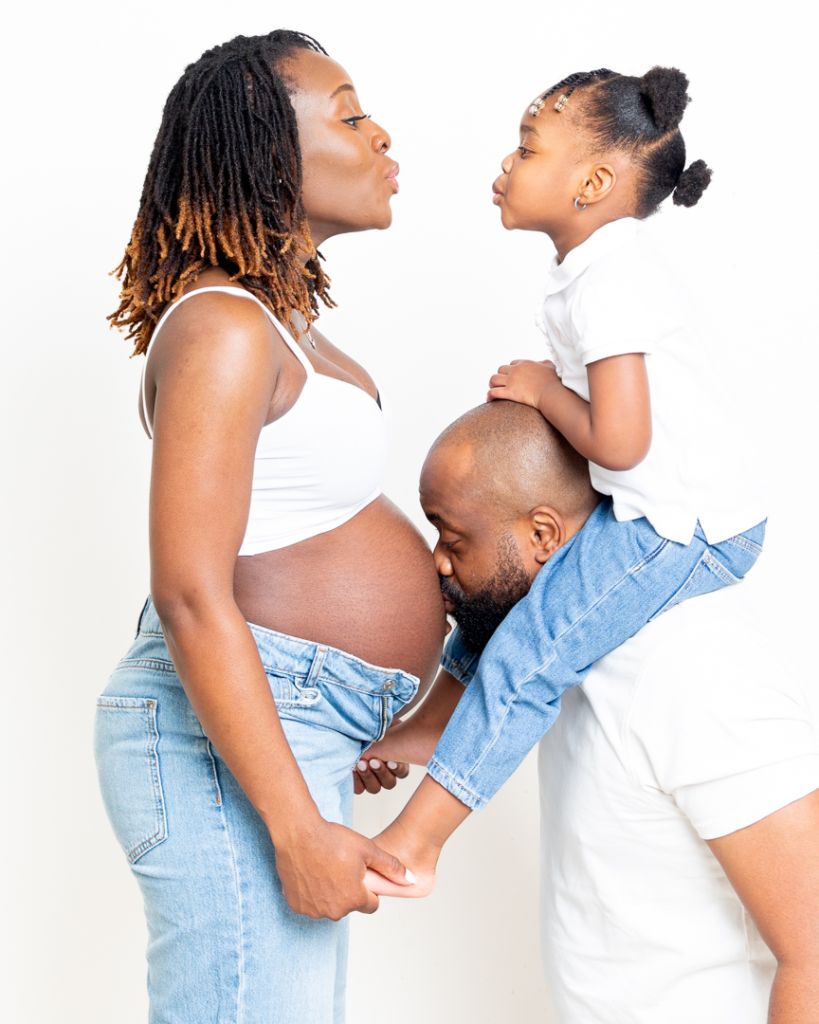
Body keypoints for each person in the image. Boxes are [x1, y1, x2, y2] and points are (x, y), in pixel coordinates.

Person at [93, 30, 445, 1024]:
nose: (380, 135)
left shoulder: (279, 324)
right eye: (349, 114)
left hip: (288, 722)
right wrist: (294, 826)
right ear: (263, 146)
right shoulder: (223, 325)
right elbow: (189, 590)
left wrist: (363, 706)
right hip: (228, 738)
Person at [361, 65, 766, 866]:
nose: (506, 163)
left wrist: (543, 390)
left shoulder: (611, 281)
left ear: (592, 183)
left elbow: (620, 443)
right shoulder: (595, 271)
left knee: (529, 656)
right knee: (507, 596)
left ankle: (417, 843)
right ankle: (438, 721)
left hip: (685, 527)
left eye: (526, 148)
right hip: (651, 506)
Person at [363, 403, 819, 1021]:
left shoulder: (695, 663)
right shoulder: (574, 653)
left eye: (454, 537)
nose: (437, 560)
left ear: (544, 536)